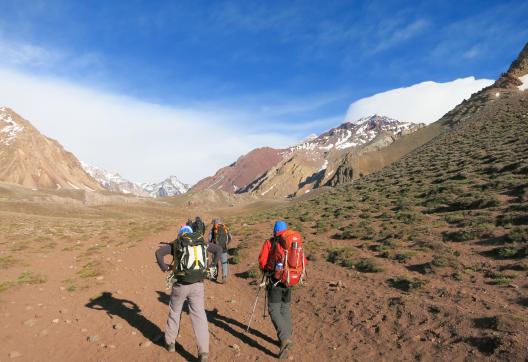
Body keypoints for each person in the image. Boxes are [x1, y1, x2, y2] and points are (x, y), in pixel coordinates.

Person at [155, 225, 221, 362]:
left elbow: (159, 253)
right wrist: (213, 265)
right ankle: (203, 352)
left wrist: (165, 267)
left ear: (180, 234)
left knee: (175, 311)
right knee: (199, 316)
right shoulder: (200, 243)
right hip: (198, 284)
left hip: (180, 284)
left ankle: (170, 343)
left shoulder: (177, 243)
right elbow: (218, 249)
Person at [258, 220, 306, 360]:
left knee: (273, 309)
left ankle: (285, 339)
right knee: (285, 308)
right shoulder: (293, 242)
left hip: (275, 280)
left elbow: (262, 261)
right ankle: (287, 336)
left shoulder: (271, 242)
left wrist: (266, 271)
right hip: (290, 279)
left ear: (275, 230)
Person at [208, 218, 232, 284]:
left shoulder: (213, 229)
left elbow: (209, 239)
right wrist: (226, 244)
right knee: (224, 263)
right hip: (224, 248)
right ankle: (224, 276)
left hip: (215, 249)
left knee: (214, 262)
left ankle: (213, 277)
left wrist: (211, 245)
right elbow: (230, 237)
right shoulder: (225, 228)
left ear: (214, 223)